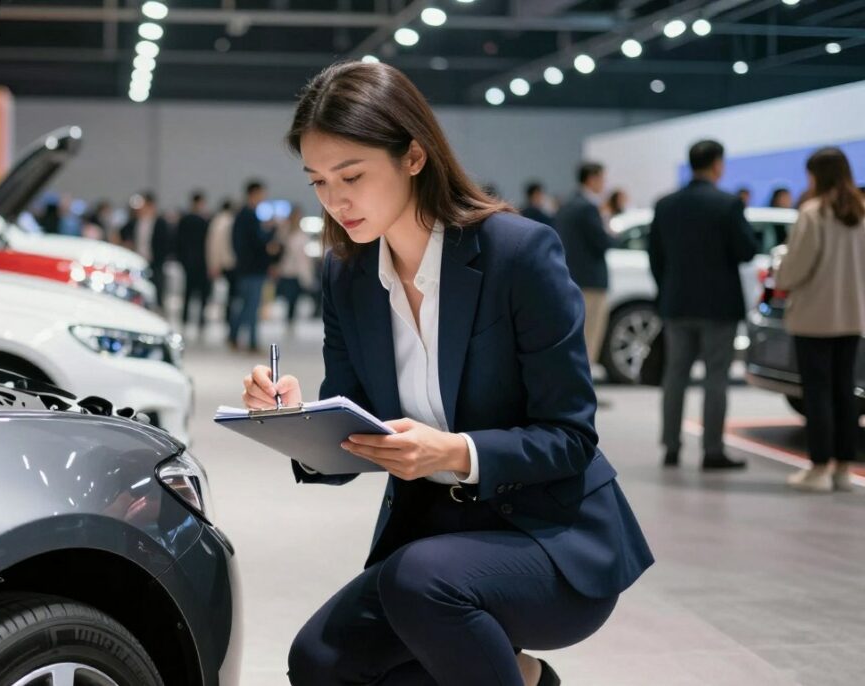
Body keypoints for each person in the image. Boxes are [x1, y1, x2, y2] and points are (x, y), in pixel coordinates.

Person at [241, 61, 653, 686]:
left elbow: (570, 437)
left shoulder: (518, 253)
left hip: (549, 538)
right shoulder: (347, 277)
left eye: (352, 175)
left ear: (413, 156)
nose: (335, 200)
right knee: (320, 662)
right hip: (435, 543)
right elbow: (353, 436)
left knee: (419, 586)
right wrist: (295, 419)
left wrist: (456, 452)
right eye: (319, 181)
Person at [647, 140, 759, 470]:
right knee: (715, 379)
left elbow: (655, 255)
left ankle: (670, 447)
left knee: (675, 376)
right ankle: (712, 451)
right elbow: (747, 250)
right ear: (717, 164)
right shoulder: (727, 204)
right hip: (718, 306)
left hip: (677, 302)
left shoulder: (666, 204)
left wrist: (667, 288)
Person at [774, 147, 865, 492]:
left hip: (815, 316)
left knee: (817, 393)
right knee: (844, 392)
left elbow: (795, 268)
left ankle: (819, 467)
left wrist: (780, 273)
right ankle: (843, 466)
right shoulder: (860, 212)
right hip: (852, 316)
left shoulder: (813, 213)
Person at [554, 162, 614, 367]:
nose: (604, 183)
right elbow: (602, 242)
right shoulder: (589, 207)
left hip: (570, 277)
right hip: (591, 281)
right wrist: (609, 229)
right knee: (590, 337)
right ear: (592, 178)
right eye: (602, 178)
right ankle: (586, 389)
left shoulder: (567, 205)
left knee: (574, 336)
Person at [229, 180, 273, 352]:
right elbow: (256, 242)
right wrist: (269, 234)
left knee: (246, 305)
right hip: (252, 269)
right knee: (251, 306)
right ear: (253, 193)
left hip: (247, 268)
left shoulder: (244, 215)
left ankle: (235, 337)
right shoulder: (248, 215)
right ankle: (251, 342)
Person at [120, 191, 172, 311]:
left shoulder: (160, 223)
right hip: (137, 261)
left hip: (155, 261)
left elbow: (166, 242)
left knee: (157, 287)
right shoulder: (135, 222)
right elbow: (123, 234)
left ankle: (157, 308)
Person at [176, 191, 212, 333]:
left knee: (189, 292)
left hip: (189, 262)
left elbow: (179, 241)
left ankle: (185, 318)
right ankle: (200, 320)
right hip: (201, 262)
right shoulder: (203, 221)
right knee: (200, 293)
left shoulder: (185, 220)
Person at [275, 204, 316, 328]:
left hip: (298, 271)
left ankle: (291, 320)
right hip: (286, 270)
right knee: (287, 297)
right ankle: (288, 319)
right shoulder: (283, 233)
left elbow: (305, 256)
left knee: (295, 298)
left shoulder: (302, 234)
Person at [206, 199, 238, 332]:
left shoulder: (218, 221)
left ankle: (229, 320)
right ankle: (229, 321)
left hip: (223, 262)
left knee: (228, 295)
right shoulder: (226, 222)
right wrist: (215, 264)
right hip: (228, 262)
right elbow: (215, 245)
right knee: (230, 295)